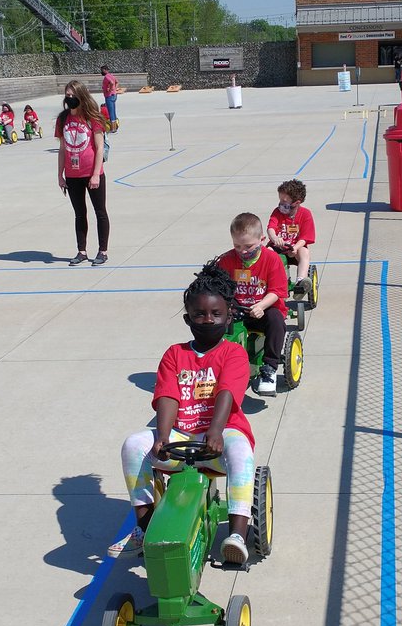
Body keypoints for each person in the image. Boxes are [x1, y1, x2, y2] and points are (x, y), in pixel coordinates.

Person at [108, 262, 255, 566]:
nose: (207, 320)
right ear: (188, 319)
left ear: (228, 317)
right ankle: (145, 528)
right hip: (180, 440)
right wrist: (162, 437)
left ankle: (237, 534)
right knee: (134, 444)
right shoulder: (175, 354)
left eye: (216, 314)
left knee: (240, 450)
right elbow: (167, 396)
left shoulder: (233, 353)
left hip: (218, 440)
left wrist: (215, 432)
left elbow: (227, 392)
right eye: (199, 314)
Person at [217, 212, 287, 396]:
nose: (243, 251)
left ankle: (270, 368)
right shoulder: (227, 260)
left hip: (264, 310)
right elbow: (220, 287)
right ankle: (215, 366)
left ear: (262, 239)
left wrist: (261, 306)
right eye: (237, 246)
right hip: (237, 310)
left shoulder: (272, 260)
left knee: (276, 320)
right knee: (214, 323)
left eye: (248, 246)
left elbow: (277, 291)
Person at [55, 80, 110, 266]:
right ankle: (81, 251)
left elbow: (99, 146)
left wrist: (95, 174)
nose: (69, 99)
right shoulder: (62, 119)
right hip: (72, 175)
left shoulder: (92, 117)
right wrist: (60, 175)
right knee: (79, 213)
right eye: (67, 95)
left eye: (73, 95)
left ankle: (103, 251)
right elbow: (62, 149)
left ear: (81, 96)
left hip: (92, 173)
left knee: (100, 212)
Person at [267, 178, 316, 297]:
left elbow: (305, 237)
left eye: (284, 201)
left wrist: (295, 247)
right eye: (280, 200)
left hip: (295, 247)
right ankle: (269, 283)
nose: (281, 204)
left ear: (296, 202)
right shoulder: (277, 212)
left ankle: (300, 282)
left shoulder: (305, 214)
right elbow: (271, 227)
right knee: (267, 253)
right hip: (278, 246)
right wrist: (274, 238)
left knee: (304, 252)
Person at [100, 64, 121, 132]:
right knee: (113, 111)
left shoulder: (106, 77)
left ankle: (113, 129)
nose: (101, 72)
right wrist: (115, 89)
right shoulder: (111, 76)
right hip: (114, 95)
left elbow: (112, 82)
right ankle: (115, 127)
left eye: (102, 70)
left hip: (109, 96)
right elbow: (116, 82)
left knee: (111, 112)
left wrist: (110, 89)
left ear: (105, 70)